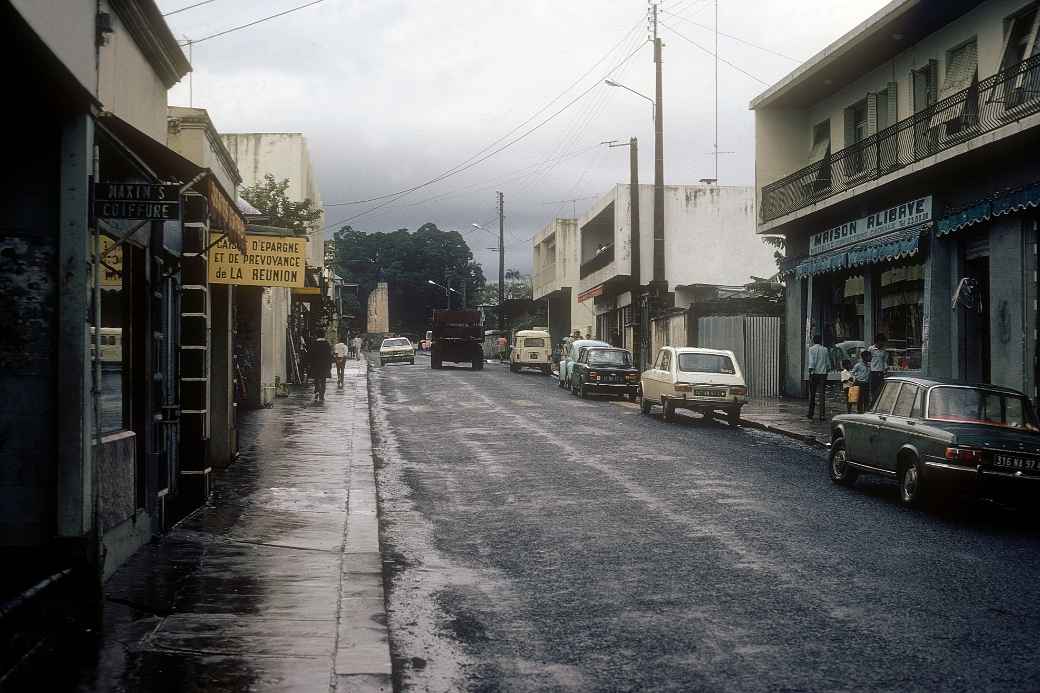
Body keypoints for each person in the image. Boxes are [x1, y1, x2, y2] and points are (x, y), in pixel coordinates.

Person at [806, 334, 831, 422]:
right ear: (821, 341)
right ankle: (822, 415)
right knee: (822, 395)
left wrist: (810, 371)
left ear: (813, 341)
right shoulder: (825, 349)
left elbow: (811, 361)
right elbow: (828, 363)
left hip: (814, 373)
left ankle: (811, 413)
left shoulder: (811, 349)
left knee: (812, 394)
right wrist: (827, 370)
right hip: (823, 374)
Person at [308, 333, 334, 402]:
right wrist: (330, 365)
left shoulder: (314, 344)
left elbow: (310, 354)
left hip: (316, 365)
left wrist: (310, 363)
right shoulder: (327, 344)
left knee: (316, 379)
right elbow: (329, 355)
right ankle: (322, 394)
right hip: (324, 365)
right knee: (323, 380)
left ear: (317, 335)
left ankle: (316, 391)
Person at [868, 333, 888, 407]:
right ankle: (872, 405)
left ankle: (877, 404)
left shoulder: (884, 350)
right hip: (873, 372)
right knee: (873, 389)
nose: (882, 344)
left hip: (881, 372)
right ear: (877, 341)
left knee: (880, 390)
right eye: (881, 342)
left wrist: (886, 369)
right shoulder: (871, 349)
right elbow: (868, 359)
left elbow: (884, 361)